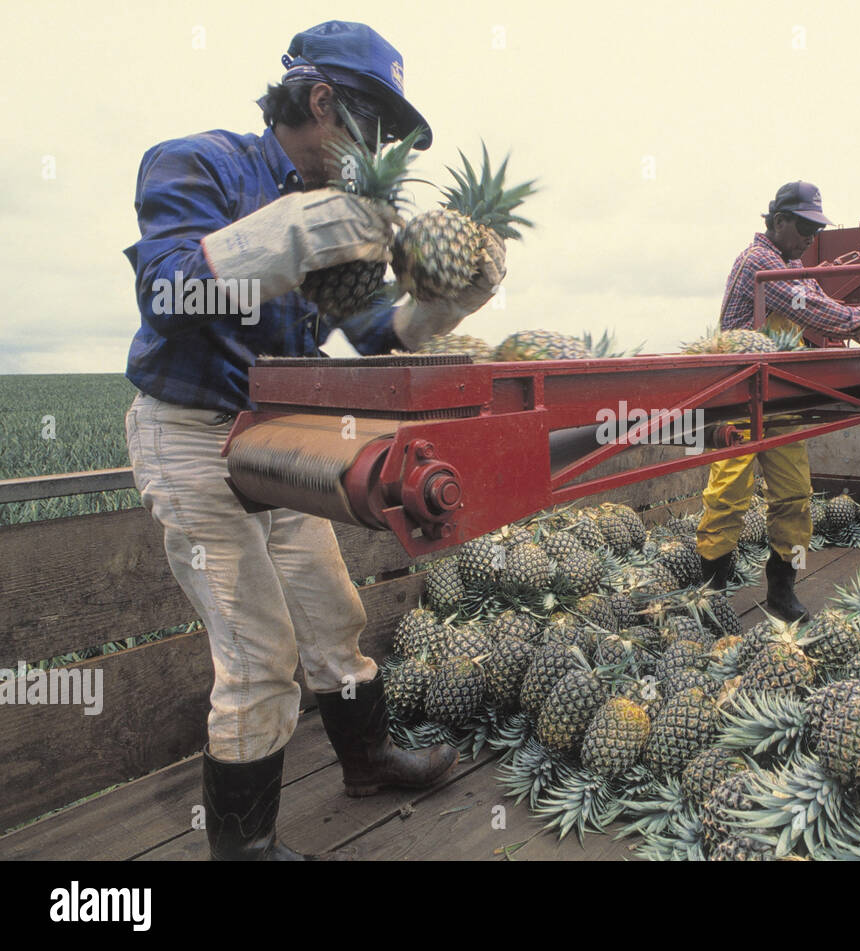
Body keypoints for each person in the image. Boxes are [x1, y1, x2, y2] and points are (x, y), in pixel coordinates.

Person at [122, 21, 504, 860]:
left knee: (334, 611)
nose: (385, 156)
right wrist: (295, 232)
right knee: (260, 649)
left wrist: (451, 301)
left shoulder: (340, 218)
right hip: (187, 432)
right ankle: (243, 848)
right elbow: (168, 294)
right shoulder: (198, 162)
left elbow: (381, 335)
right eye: (378, 131)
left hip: (275, 433)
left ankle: (366, 761)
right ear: (325, 101)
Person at [697, 181, 860, 621]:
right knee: (728, 497)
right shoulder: (758, 262)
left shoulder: (793, 264)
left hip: (779, 395)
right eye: (806, 228)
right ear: (778, 222)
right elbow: (813, 311)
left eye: (817, 229)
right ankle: (711, 593)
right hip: (739, 396)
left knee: (794, 496)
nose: (812, 237)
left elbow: (820, 300)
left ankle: (782, 590)